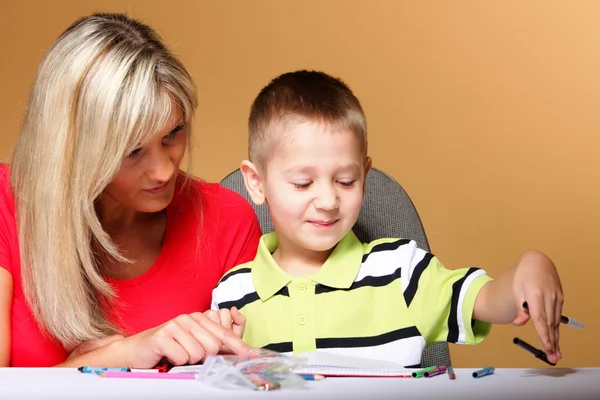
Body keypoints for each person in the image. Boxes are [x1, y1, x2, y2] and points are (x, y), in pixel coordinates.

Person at [211, 70, 564, 367]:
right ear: (257, 183)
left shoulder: (402, 270)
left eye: (345, 181)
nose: (329, 200)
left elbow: (488, 300)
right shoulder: (231, 293)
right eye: (303, 183)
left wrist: (529, 271)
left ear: (364, 177)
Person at [0, 13, 262, 368]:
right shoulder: (5, 203)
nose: (164, 170)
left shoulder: (228, 220)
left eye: (174, 133)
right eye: (133, 151)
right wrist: (119, 355)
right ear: (71, 147)